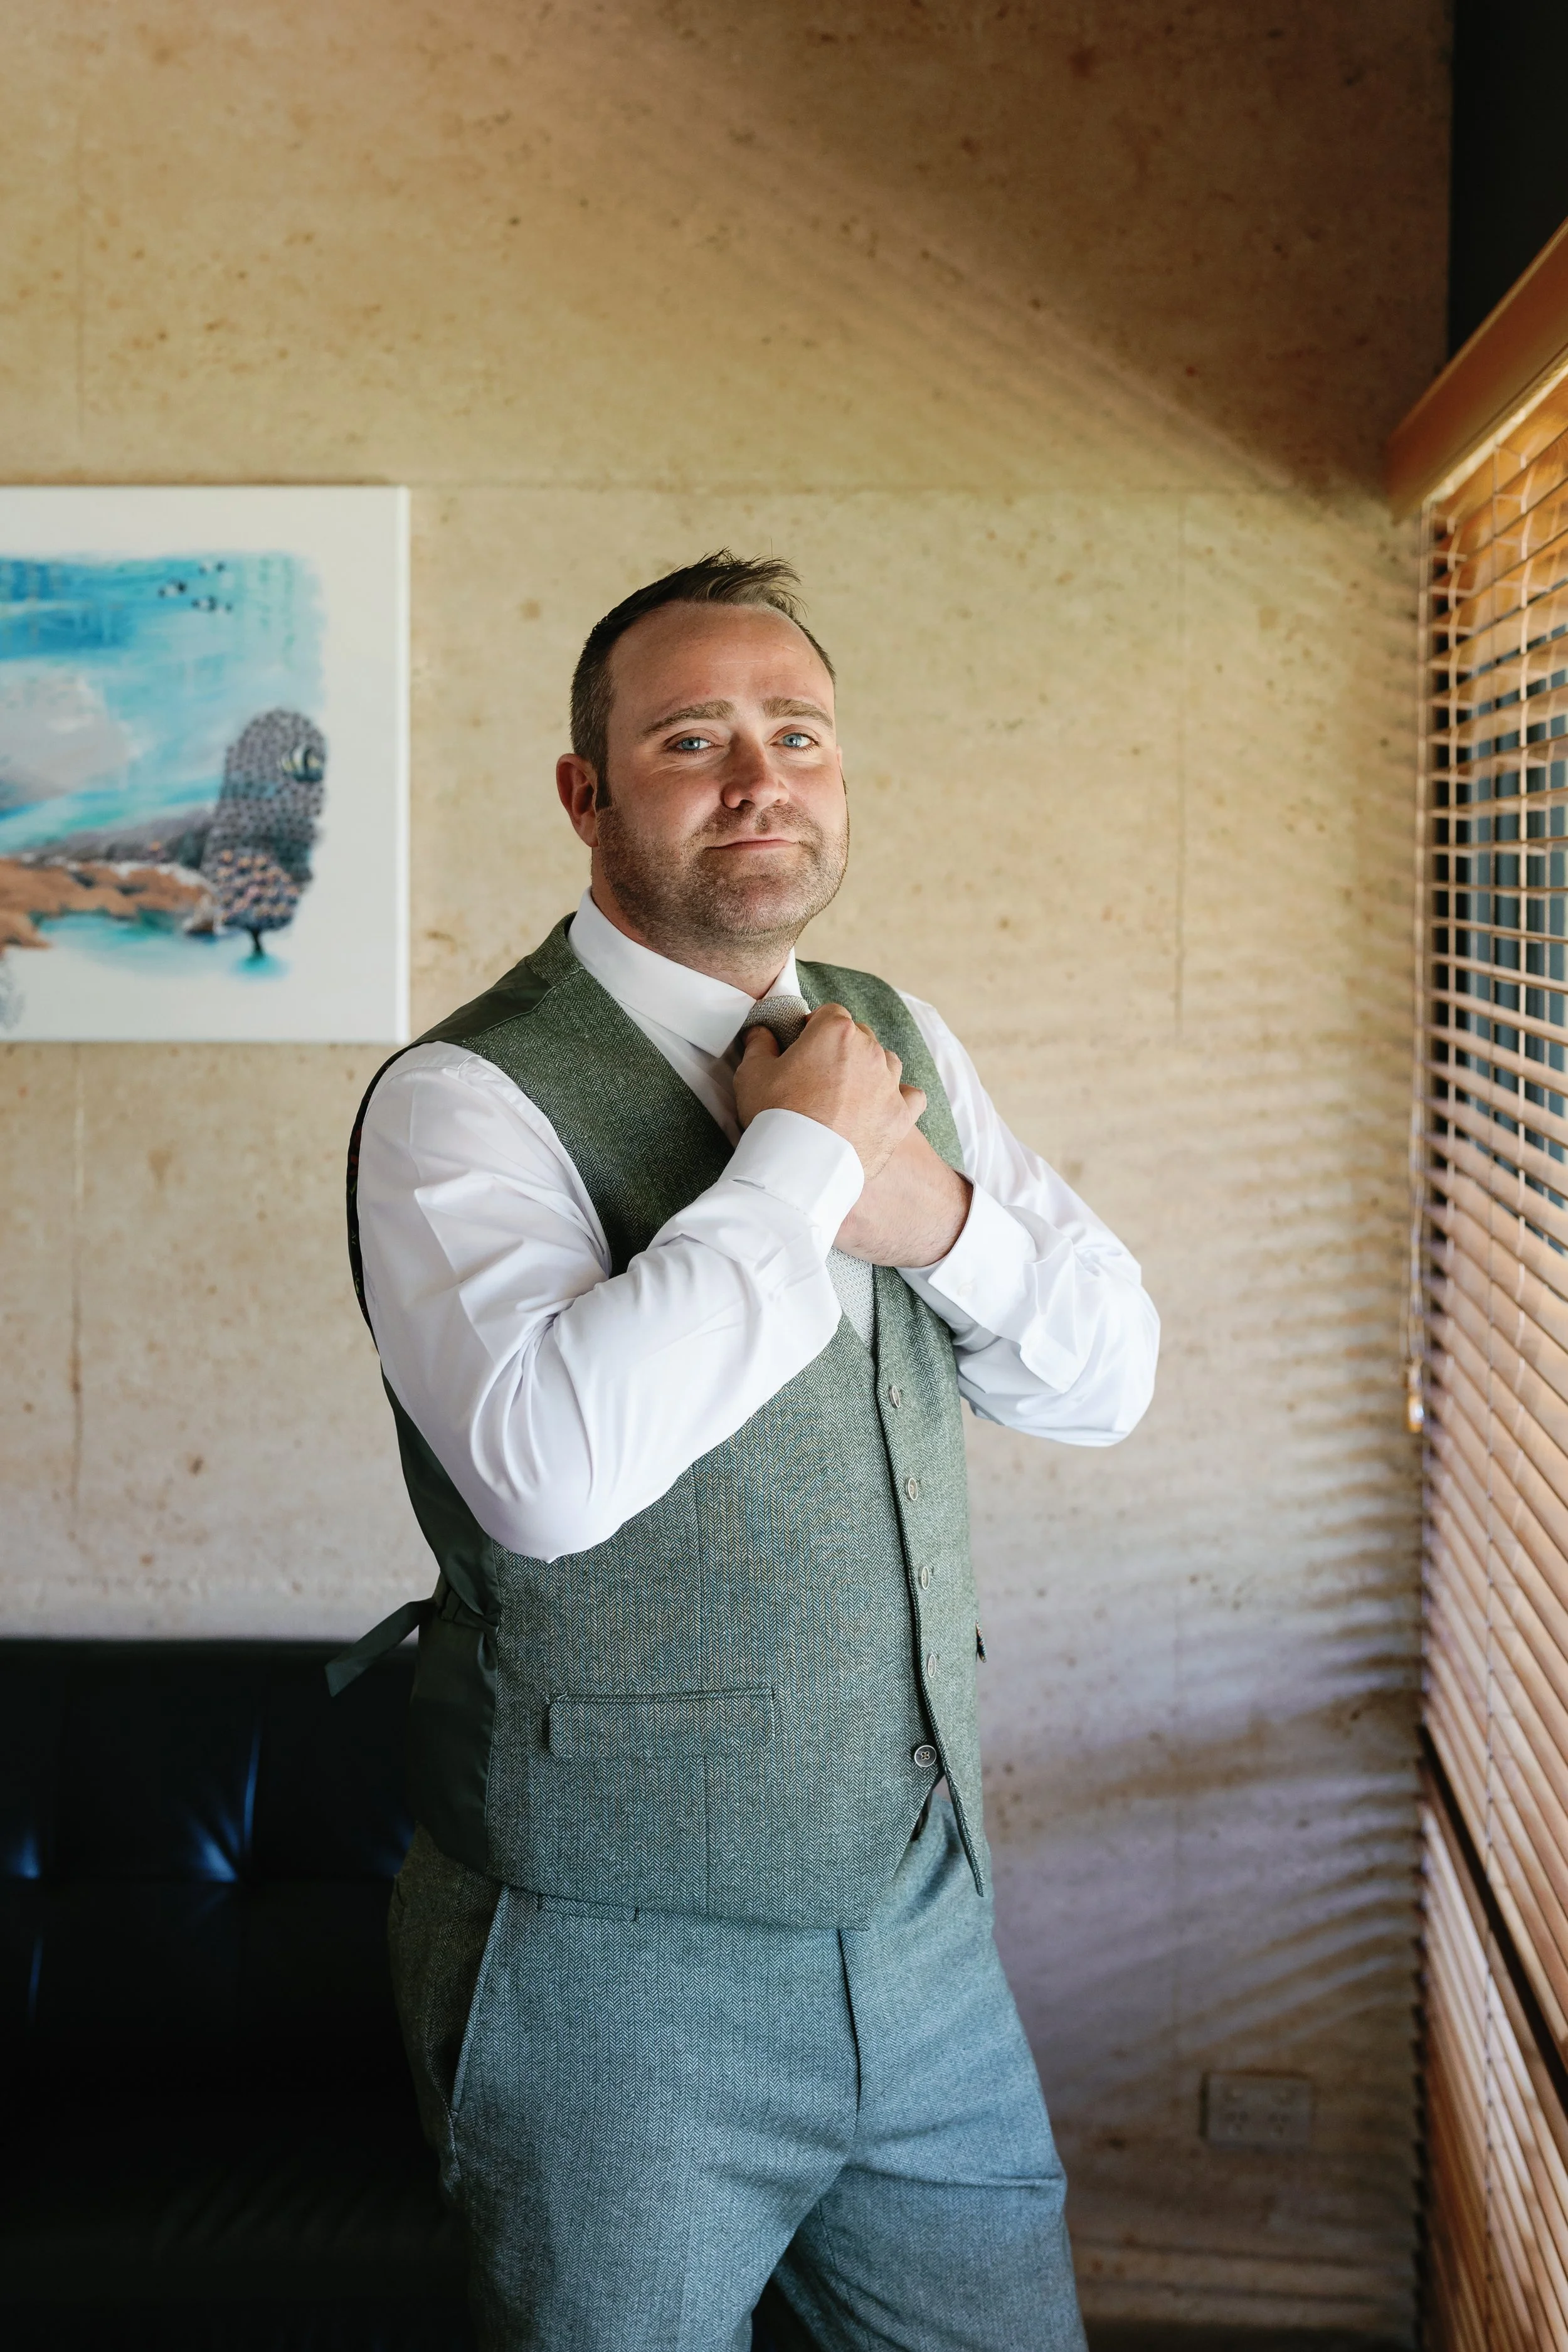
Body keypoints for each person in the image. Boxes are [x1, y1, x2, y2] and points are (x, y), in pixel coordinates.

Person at [342, 553, 1158, 2352]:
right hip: (606, 1971)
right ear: (587, 794)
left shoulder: (903, 1037)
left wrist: (935, 1216)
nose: (758, 780)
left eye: (797, 734)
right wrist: (799, 1169)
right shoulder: (458, 1101)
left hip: (926, 1928)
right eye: (690, 739)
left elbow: (1105, 1378)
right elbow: (547, 1475)